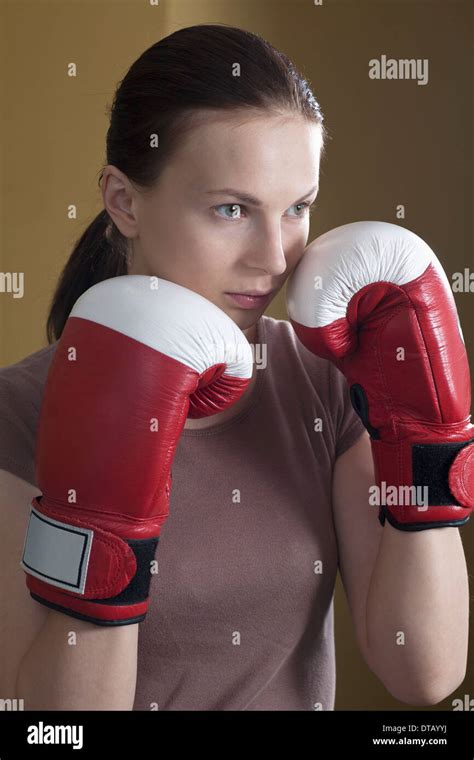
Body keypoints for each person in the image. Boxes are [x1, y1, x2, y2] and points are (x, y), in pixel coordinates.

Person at [0, 24, 468, 712]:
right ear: (124, 201)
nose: (274, 258)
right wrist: (102, 535)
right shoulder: (19, 412)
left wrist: (427, 441)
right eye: (231, 209)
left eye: (297, 209)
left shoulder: (323, 380)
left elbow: (423, 672)